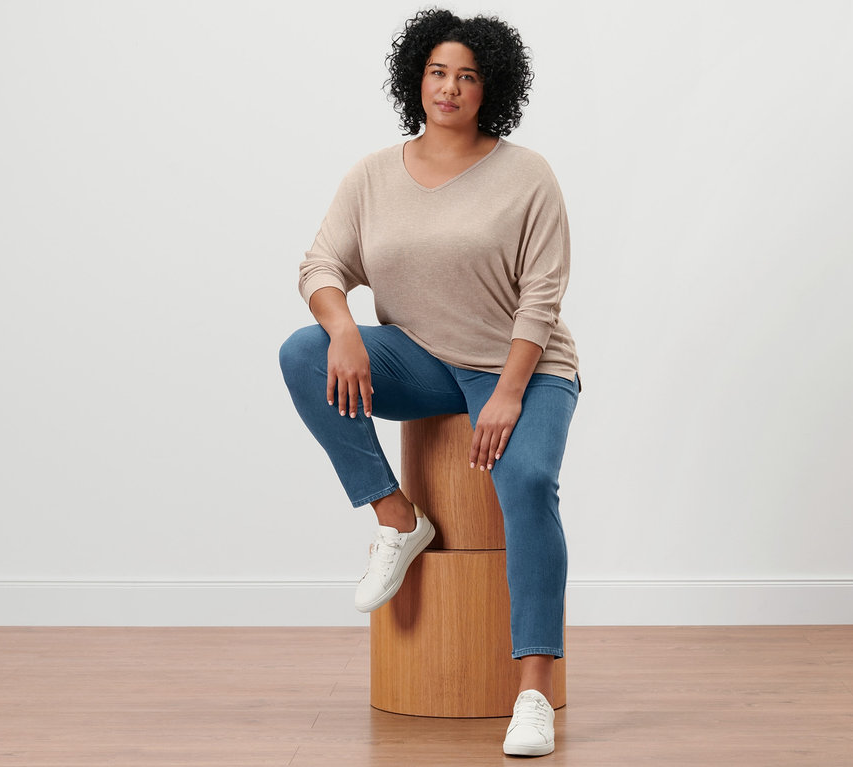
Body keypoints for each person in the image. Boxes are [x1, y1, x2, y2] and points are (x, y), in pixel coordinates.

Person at [279, 8, 580, 758]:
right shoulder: (374, 175)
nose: (449, 87)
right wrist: (344, 330)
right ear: (416, 75)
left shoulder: (527, 173)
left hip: (523, 364)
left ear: (491, 89)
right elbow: (320, 265)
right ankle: (397, 518)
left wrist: (510, 390)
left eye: (468, 76)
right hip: (419, 357)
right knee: (301, 352)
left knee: (530, 480)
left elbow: (543, 294)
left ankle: (533, 691)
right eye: (438, 71)